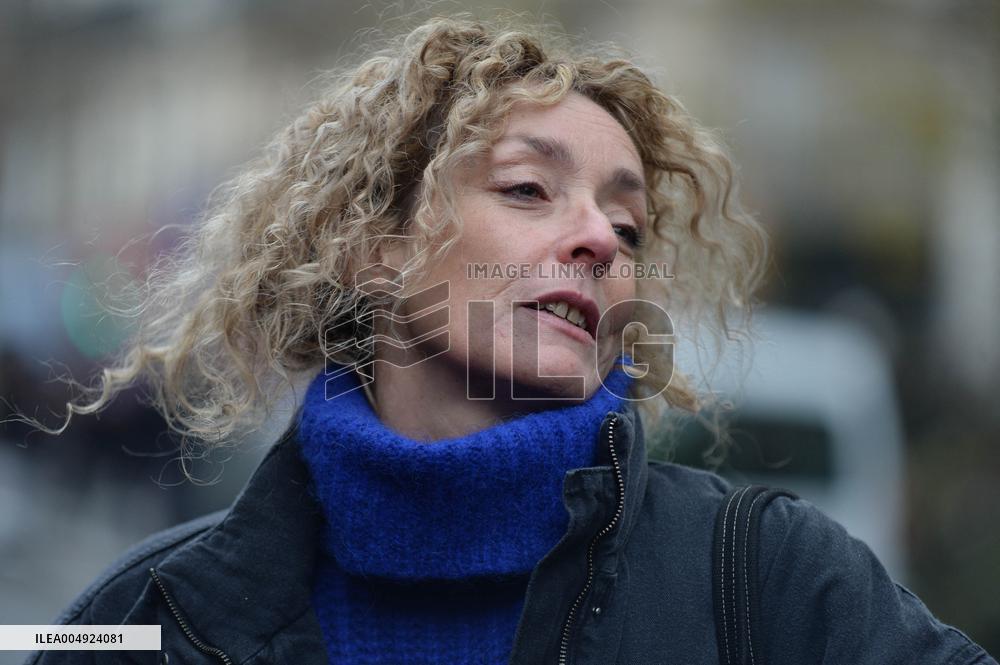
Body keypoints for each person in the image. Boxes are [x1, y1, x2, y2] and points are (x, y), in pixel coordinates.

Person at [25, 15, 995, 665]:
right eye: (529, 188)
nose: (596, 240)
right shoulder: (151, 615)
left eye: (629, 229)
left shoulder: (773, 583)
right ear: (374, 248)